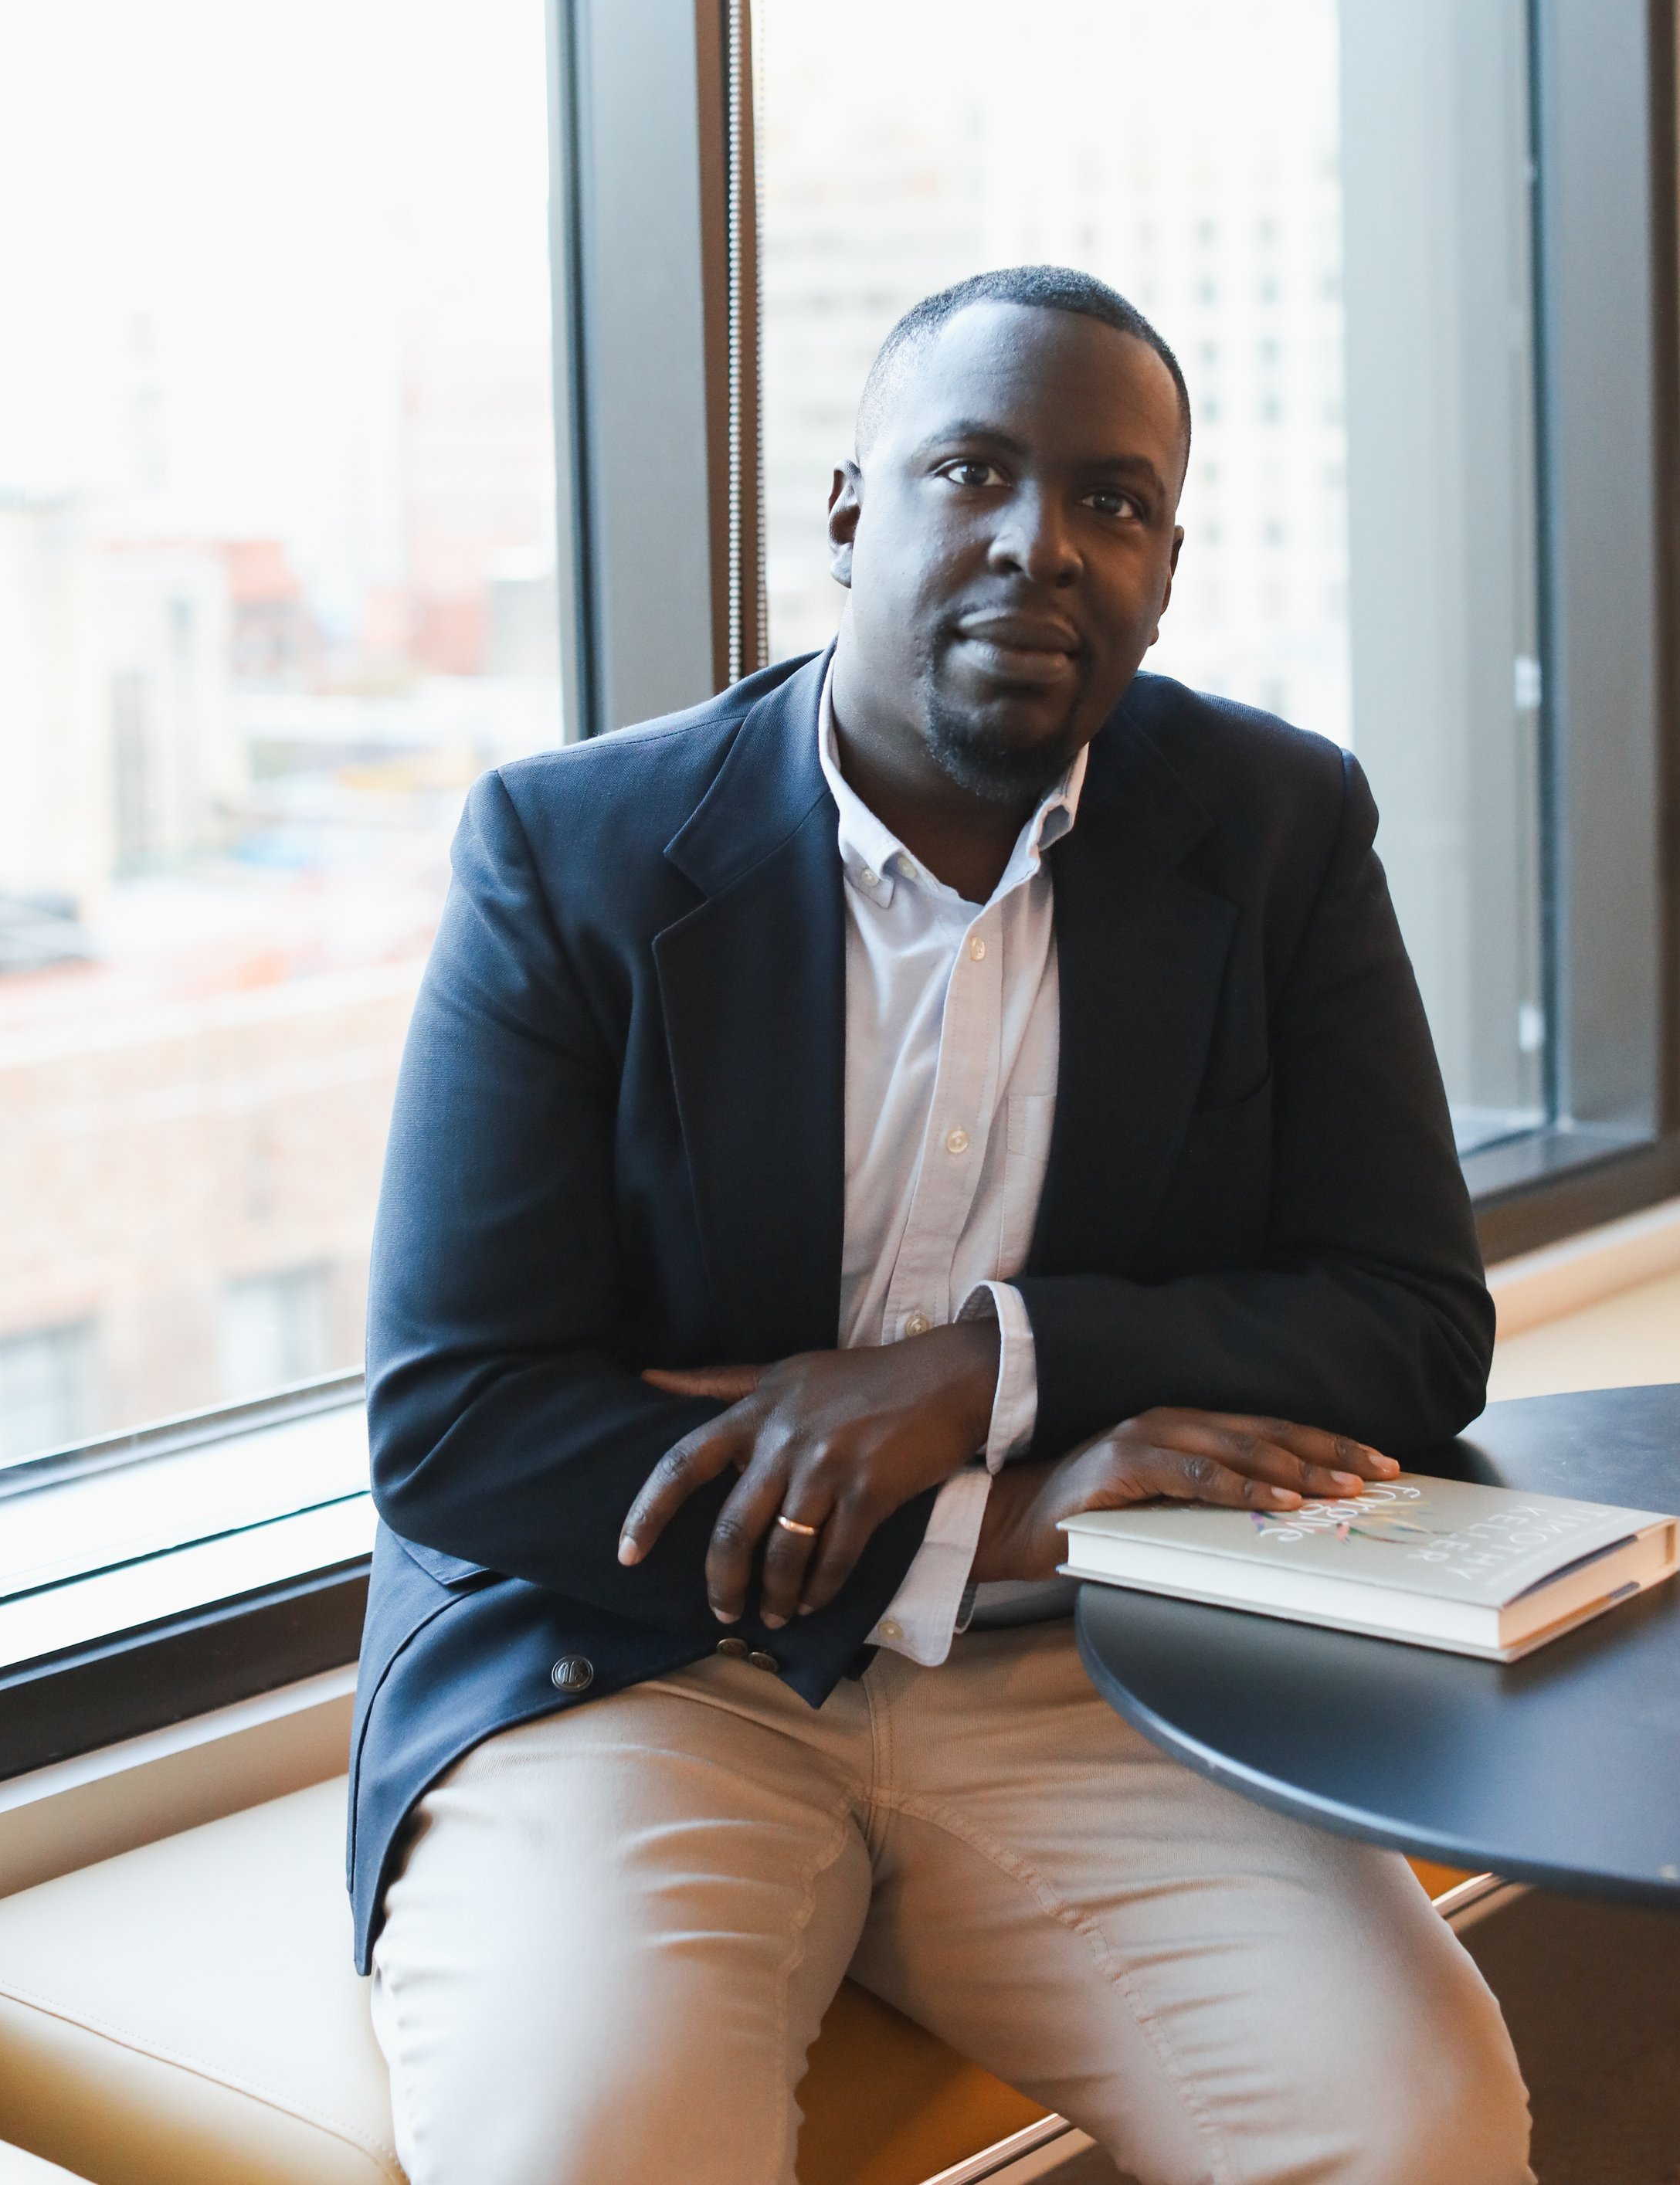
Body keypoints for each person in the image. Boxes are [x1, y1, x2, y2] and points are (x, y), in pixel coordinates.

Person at [351, 267, 1532, 2185]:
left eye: (1110, 501)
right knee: (594, 2149)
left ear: (1165, 558)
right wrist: (996, 1509)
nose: (1038, 545)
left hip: (1079, 1677)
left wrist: (976, 1370)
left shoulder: (1275, 828)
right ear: (846, 510)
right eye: (969, 470)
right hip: (639, 1675)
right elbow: (461, 1428)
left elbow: (1406, 1318)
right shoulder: (568, 853)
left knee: (1416, 2128)